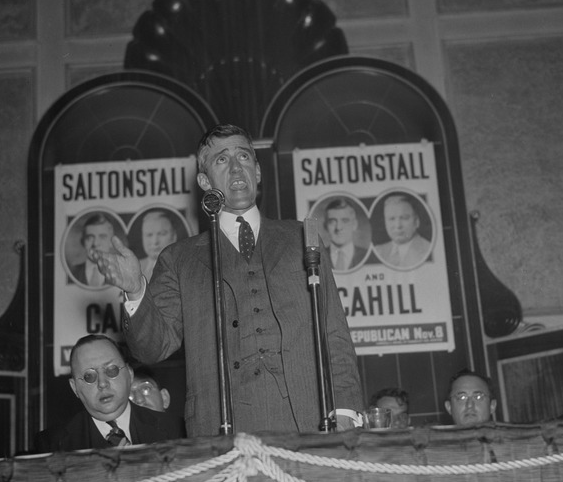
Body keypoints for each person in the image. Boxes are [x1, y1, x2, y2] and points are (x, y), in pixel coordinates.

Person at [93, 124, 363, 437]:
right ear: (205, 181)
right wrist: (136, 290)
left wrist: (344, 412)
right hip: (223, 427)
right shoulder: (179, 258)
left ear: (258, 171)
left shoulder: (303, 237)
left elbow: (335, 334)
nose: (236, 167)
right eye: (222, 160)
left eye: (244, 157)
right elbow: (152, 349)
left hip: (311, 421)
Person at [33, 334, 184, 452]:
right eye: (89, 376)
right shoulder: (53, 444)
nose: (102, 383)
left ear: (129, 375)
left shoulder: (175, 429)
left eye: (111, 370)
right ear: (74, 388)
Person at [373, 192, 432, 268]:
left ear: (416, 221)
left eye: (404, 218)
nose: (398, 225)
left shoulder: (429, 250)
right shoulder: (378, 251)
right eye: (391, 219)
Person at [70, 213, 118, 287]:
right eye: (90, 238)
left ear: (112, 242)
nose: (95, 244)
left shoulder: (120, 272)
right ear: (83, 242)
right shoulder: (72, 273)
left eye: (102, 237)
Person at [323, 197, 368, 272]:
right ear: (325, 225)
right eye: (332, 221)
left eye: (345, 221)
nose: (338, 227)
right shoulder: (319, 257)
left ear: (354, 224)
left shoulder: (367, 256)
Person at [139, 209, 179, 281]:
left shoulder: (184, 266)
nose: (155, 242)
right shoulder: (135, 267)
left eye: (162, 234)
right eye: (149, 235)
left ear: (174, 236)